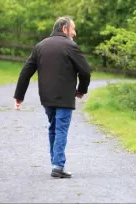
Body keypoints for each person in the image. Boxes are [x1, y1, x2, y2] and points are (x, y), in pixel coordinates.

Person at [13, 16, 91, 178]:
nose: (74, 33)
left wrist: (19, 95)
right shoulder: (71, 46)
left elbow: (26, 71)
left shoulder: (40, 46)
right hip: (65, 97)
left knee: (54, 127)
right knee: (61, 128)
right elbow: (85, 72)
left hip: (46, 97)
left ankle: (55, 162)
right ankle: (58, 165)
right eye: (73, 29)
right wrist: (81, 90)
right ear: (64, 29)